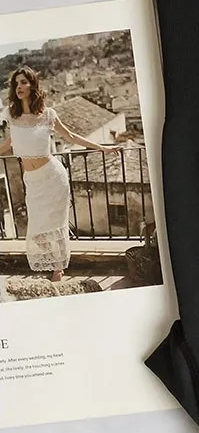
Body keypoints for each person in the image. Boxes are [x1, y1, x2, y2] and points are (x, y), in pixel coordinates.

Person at [0, 66, 120, 281]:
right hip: (32, 181)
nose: (19, 87)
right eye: (16, 83)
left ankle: (58, 268)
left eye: (24, 82)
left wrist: (102, 148)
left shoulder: (47, 115)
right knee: (38, 226)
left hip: (53, 177)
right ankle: (53, 260)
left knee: (56, 223)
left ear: (33, 85)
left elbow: (71, 136)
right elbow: (10, 143)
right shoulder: (11, 115)